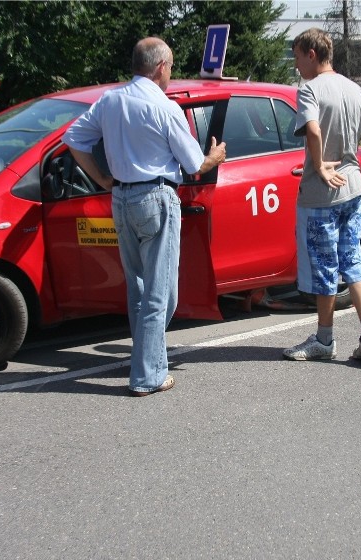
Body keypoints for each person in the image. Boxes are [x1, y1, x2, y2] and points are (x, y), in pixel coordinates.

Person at [63, 37, 226, 396]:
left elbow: (74, 138)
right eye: (170, 66)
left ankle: (144, 360)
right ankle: (148, 374)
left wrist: (102, 178)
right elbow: (195, 164)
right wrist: (217, 156)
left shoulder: (110, 100)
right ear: (161, 67)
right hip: (156, 197)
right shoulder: (164, 108)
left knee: (139, 288)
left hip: (120, 197)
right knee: (160, 293)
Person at [283, 28, 361, 362]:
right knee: (352, 261)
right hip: (353, 190)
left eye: (297, 57)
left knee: (325, 267)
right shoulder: (356, 90)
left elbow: (312, 129)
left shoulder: (309, 90)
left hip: (321, 196)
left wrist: (322, 169)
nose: (297, 65)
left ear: (312, 54)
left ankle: (324, 340)